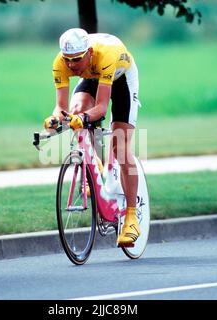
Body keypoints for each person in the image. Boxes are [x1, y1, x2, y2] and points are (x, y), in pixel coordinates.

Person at [44, 28, 141, 246]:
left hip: (121, 76)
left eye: (76, 59)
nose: (71, 65)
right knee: (76, 109)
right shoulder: (61, 62)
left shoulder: (104, 54)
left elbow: (102, 108)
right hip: (92, 76)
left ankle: (132, 217)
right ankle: (94, 165)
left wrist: (85, 118)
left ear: (88, 52)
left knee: (120, 147)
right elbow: (60, 108)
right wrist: (54, 119)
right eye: (67, 60)